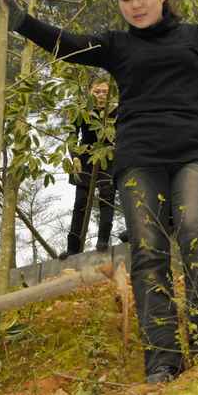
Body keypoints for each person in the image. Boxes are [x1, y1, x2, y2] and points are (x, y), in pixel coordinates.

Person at [0, 0, 198, 383]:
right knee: (148, 250)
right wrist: (22, 21)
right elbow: (68, 44)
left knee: (197, 233)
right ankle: (163, 359)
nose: (135, 4)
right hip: (138, 157)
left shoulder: (194, 36)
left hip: (192, 151)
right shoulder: (116, 44)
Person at [60, 77, 117, 259]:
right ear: (90, 93)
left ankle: (103, 240)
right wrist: (75, 157)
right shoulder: (82, 110)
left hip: (108, 158)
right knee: (81, 202)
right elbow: (72, 136)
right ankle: (73, 248)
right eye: (97, 91)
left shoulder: (117, 111)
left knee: (107, 197)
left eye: (104, 92)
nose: (101, 95)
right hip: (84, 159)